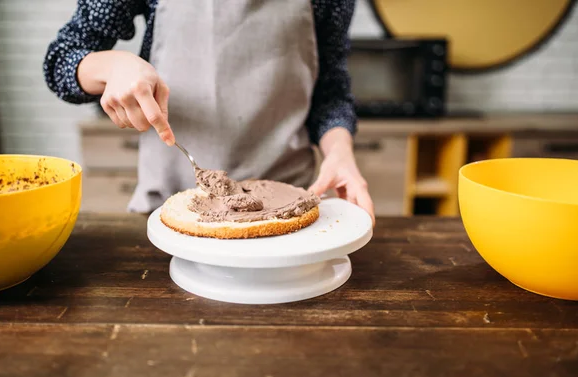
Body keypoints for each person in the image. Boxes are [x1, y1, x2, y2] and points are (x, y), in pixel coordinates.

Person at [43, 0, 375, 225]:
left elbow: (330, 88)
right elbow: (63, 59)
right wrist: (111, 65)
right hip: (175, 210)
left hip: (284, 210)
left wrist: (341, 153)